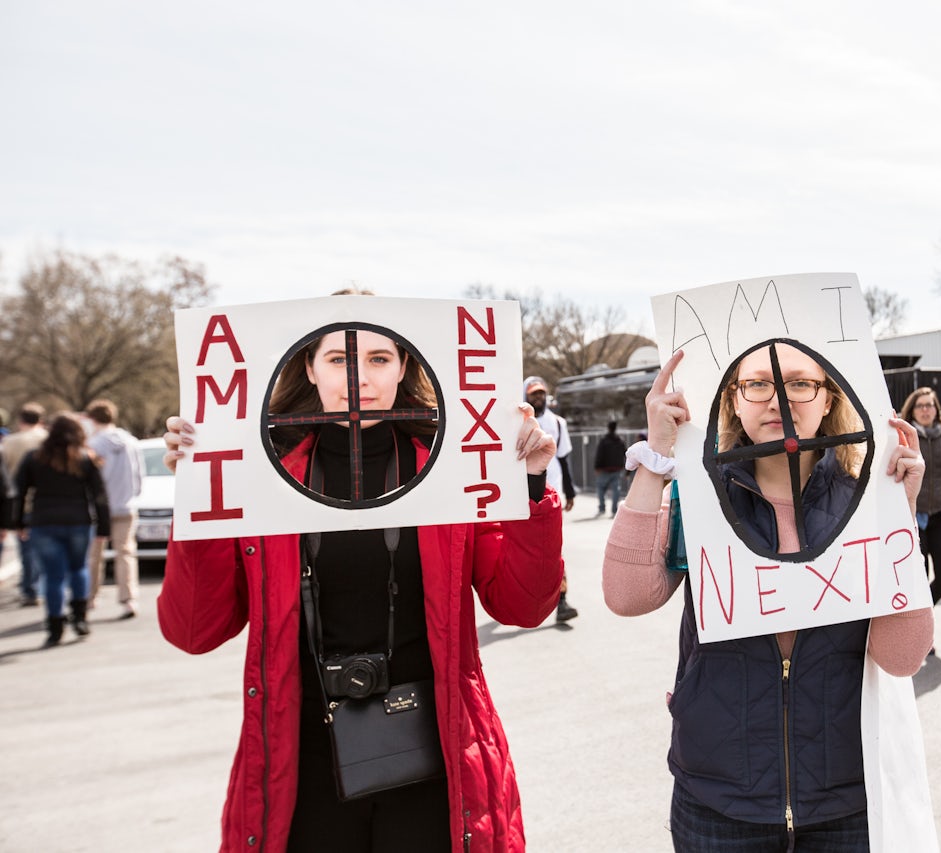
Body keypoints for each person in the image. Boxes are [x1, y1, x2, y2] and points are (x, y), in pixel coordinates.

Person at [158, 323, 565, 851]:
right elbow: (195, 630)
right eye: (337, 360)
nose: (358, 378)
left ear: (404, 367)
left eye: (377, 359)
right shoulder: (257, 475)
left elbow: (523, 606)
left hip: (437, 758)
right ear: (308, 368)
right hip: (301, 762)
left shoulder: (458, 470)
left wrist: (532, 485)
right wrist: (196, 501)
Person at [603, 345, 933, 851]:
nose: (779, 398)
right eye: (757, 384)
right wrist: (655, 459)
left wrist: (899, 516)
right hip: (719, 798)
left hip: (843, 800)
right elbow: (626, 597)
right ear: (733, 401)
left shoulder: (864, 503)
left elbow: (902, 658)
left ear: (829, 401)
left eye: (800, 383)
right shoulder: (699, 499)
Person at [9, 414, 110, 646]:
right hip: (78, 521)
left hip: (44, 522)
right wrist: (104, 527)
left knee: (53, 576)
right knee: (78, 569)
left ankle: (55, 624)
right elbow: (99, 496)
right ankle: (80, 618)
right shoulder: (85, 458)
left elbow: (20, 492)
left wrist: (19, 523)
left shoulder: (34, 458)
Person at [524, 376, 579, 622]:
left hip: (552, 490)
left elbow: (565, 458)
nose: (538, 397)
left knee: (554, 546)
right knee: (528, 546)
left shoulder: (557, 423)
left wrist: (570, 490)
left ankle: (562, 600)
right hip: (523, 491)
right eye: (534, 393)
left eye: (541, 393)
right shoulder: (519, 420)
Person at [902, 387, 941, 603]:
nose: (925, 410)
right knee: (920, 577)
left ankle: (926, 609)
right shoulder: (904, 439)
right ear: (912, 410)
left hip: (940, 515)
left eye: (929, 405)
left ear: (937, 410)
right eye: (920, 406)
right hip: (913, 518)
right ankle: (923, 622)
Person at [84, 399, 144, 619]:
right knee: (126, 553)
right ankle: (129, 600)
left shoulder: (94, 444)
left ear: (92, 419)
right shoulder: (131, 441)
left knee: (94, 556)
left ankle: (89, 598)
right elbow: (139, 475)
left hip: (99, 507)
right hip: (126, 505)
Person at [2, 403, 49, 607]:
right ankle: (40, 586)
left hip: (19, 501)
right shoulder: (49, 439)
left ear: (21, 420)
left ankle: (30, 587)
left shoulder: (9, 442)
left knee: (27, 549)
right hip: (47, 500)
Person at [594, 419, 627, 517]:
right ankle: (614, 510)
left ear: (608, 428)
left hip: (605, 469)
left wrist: (597, 467)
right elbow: (625, 453)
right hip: (617, 469)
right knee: (616, 490)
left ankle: (602, 508)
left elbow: (599, 454)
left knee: (600, 488)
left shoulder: (604, 440)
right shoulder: (620, 440)